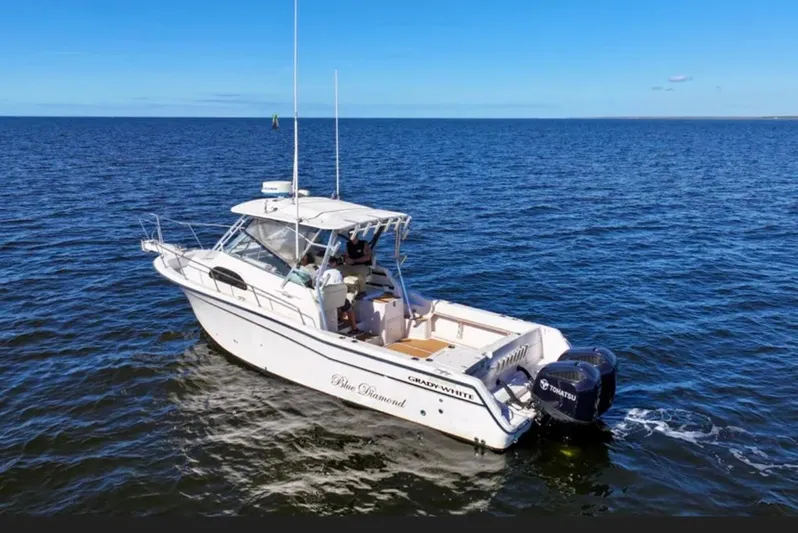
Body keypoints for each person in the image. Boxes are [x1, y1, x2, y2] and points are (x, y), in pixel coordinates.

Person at [318, 256, 359, 333]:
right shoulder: (338, 273)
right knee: (348, 306)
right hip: (338, 300)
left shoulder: (322, 272)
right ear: (335, 264)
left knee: (337, 300)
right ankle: (355, 328)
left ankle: (339, 319)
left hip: (327, 300)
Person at [342, 231, 372, 296]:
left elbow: (367, 258)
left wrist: (354, 260)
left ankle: (362, 292)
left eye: (354, 235)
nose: (353, 237)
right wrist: (347, 260)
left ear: (357, 235)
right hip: (351, 266)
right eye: (351, 235)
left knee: (360, 273)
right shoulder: (348, 244)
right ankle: (342, 289)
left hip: (363, 266)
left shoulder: (364, 243)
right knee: (339, 270)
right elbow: (346, 256)